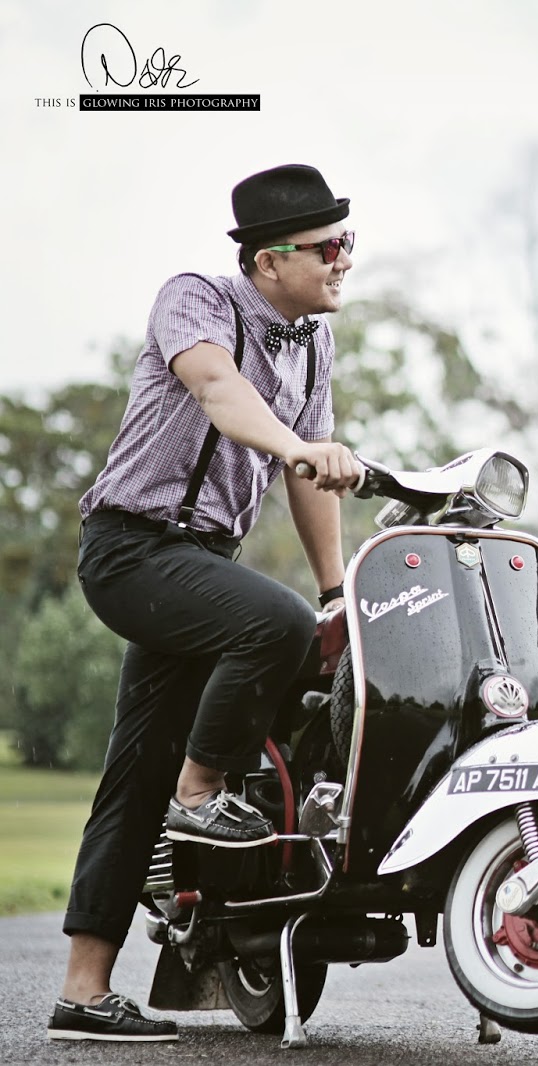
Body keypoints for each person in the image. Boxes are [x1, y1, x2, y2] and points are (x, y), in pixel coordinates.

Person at [49, 164, 363, 1042]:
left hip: (200, 563)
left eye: (350, 243)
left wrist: (336, 590)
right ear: (269, 262)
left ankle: (83, 993)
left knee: (135, 768)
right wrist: (303, 444)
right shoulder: (196, 300)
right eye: (329, 247)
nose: (345, 260)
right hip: (132, 549)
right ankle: (204, 792)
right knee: (273, 621)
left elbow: (309, 482)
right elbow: (223, 397)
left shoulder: (314, 345)